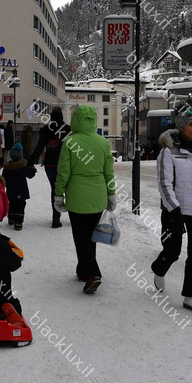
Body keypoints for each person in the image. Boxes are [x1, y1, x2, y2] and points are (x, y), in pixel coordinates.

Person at [152, 105, 192, 314]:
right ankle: (159, 269)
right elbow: (164, 184)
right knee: (173, 251)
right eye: (190, 124)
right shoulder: (168, 151)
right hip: (175, 210)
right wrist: (174, 210)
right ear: (181, 127)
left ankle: (190, 296)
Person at [53, 105, 116, 294]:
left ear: (76, 121)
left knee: (80, 238)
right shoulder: (103, 143)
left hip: (77, 197)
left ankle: (92, 274)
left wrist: (58, 194)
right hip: (97, 197)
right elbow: (109, 172)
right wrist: (111, 193)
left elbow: (63, 172)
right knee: (91, 238)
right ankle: (83, 270)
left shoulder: (70, 142)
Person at [28, 106, 71, 228]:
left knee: (54, 189)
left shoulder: (46, 130)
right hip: (64, 164)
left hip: (50, 164)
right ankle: (73, 215)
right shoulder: (67, 130)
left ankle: (55, 218)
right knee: (68, 188)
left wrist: (29, 163)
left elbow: (38, 149)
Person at [3, 144, 37, 230]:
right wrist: (33, 170)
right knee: (20, 205)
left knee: (12, 203)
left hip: (11, 190)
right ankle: (18, 222)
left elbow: (3, 179)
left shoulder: (7, 167)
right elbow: (30, 175)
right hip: (21, 190)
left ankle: (11, 217)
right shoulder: (23, 166)